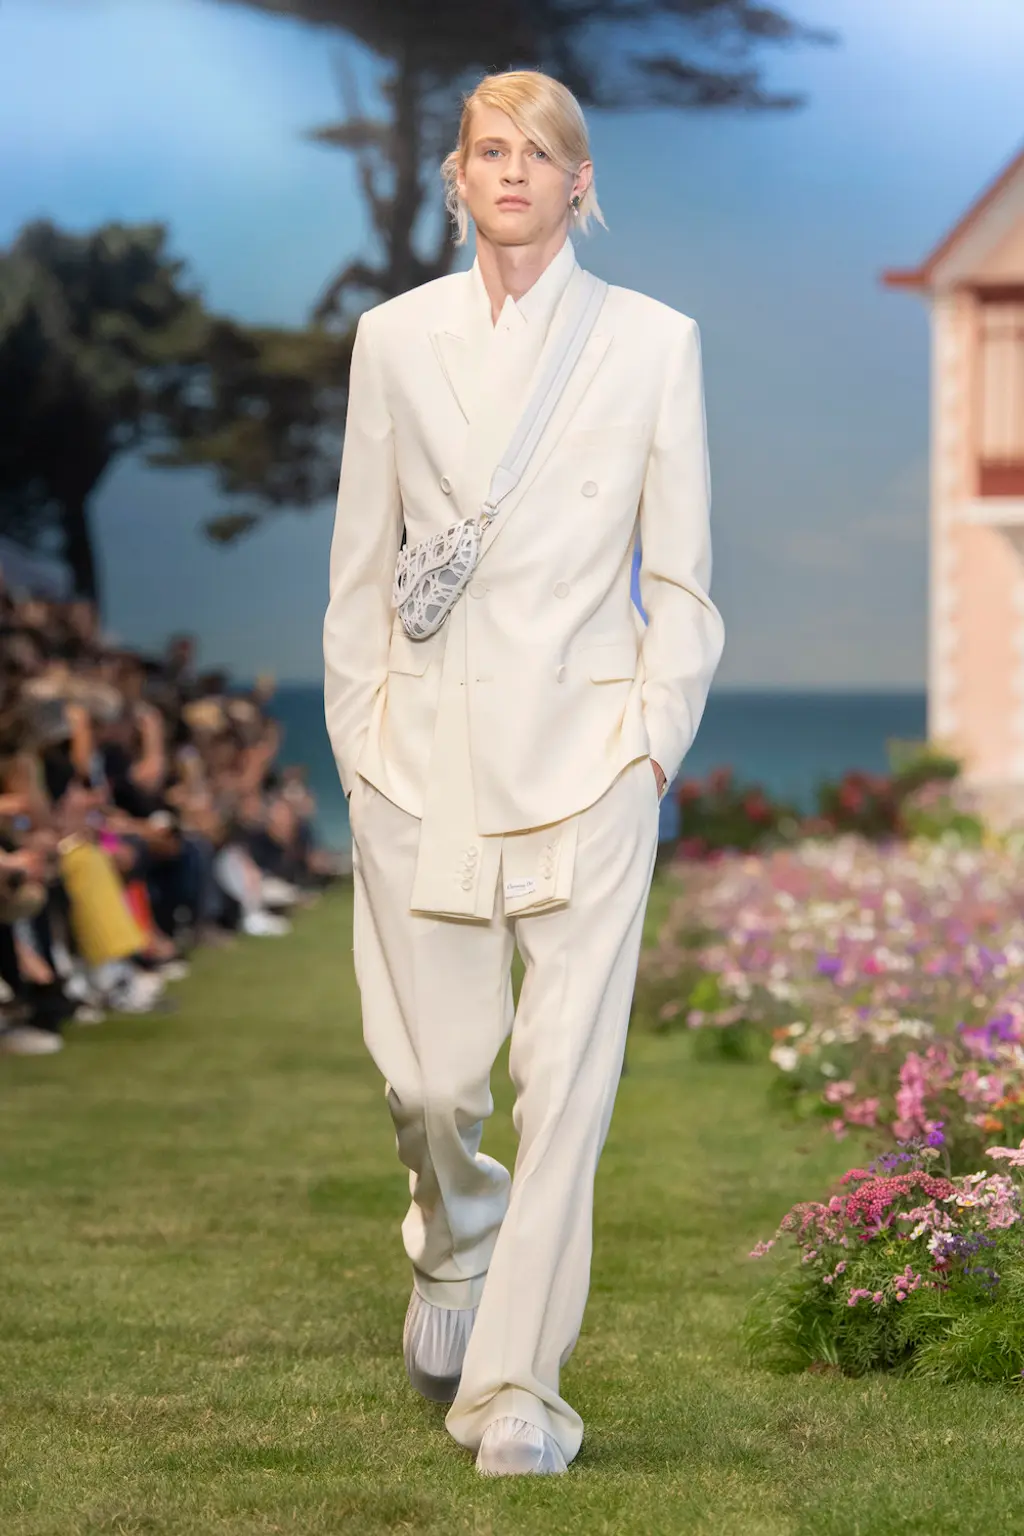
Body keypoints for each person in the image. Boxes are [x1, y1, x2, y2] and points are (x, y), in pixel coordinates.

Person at [323, 69, 725, 1476]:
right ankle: (455, 1239)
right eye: (490, 149)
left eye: (540, 154)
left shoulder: (653, 342)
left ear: (578, 183)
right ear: (459, 176)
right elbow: (360, 566)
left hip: (589, 760)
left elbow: (683, 578)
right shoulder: (394, 339)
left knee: (568, 1094)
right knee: (436, 1088)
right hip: (421, 759)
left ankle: (519, 1392)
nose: (513, 172)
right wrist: (362, 746)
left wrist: (649, 748)